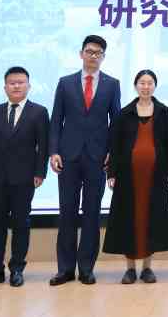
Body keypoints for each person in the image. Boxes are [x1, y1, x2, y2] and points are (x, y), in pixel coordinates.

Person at [48, 35, 122, 286]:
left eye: (98, 53)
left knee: (92, 214)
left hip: (97, 158)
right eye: (89, 51)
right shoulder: (65, 83)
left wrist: (112, 152)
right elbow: (56, 120)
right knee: (66, 212)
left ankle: (87, 268)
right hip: (68, 156)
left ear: (103, 57)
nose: (93, 56)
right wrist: (54, 151)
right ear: (81, 54)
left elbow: (116, 123)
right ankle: (65, 269)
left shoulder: (112, 84)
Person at [0, 67, 48, 288]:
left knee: (21, 224)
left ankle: (17, 268)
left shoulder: (39, 112)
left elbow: (43, 146)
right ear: (5, 87)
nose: (16, 86)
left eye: (21, 82)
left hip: (24, 178)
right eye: (12, 83)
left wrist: (40, 172)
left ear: (28, 86)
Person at [104, 70, 168, 283]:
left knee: (151, 218)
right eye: (142, 83)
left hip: (155, 176)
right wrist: (111, 173)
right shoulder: (124, 113)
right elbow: (115, 145)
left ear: (155, 86)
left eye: (150, 83)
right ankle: (130, 269)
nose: (146, 86)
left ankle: (147, 268)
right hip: (128, 177)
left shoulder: (163, 111)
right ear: (136, 86)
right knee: (128, 219)